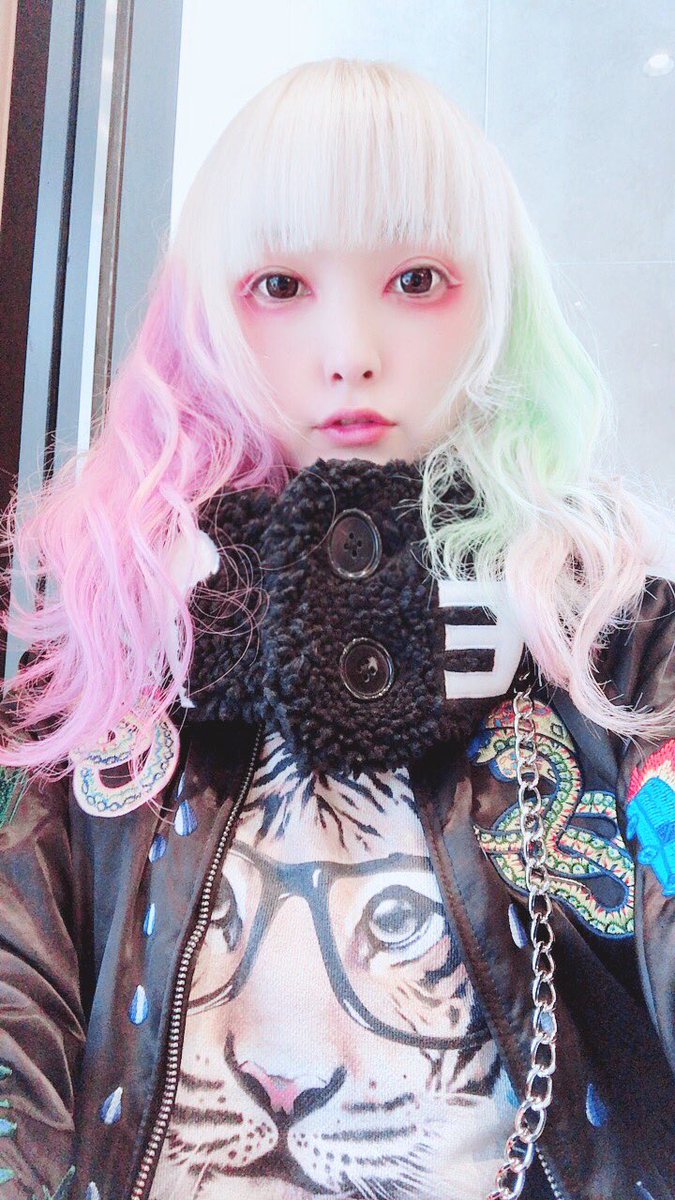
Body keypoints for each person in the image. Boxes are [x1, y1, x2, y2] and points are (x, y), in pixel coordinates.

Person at [0, 55, 673, 1200]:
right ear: (205, 312)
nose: (351, 348)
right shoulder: (119, 640)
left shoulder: (606, 637)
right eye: (280, 285)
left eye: (417, 279)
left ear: (498, 298)